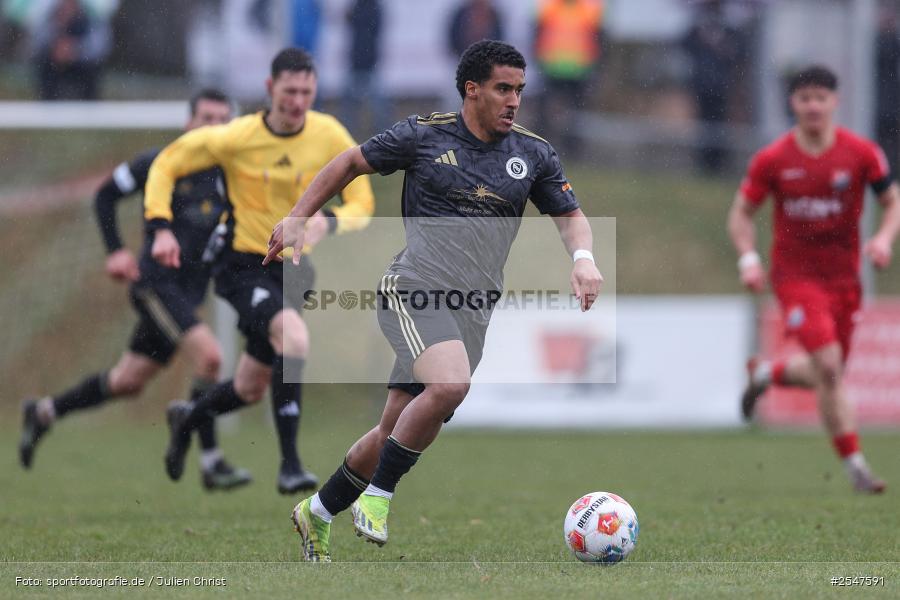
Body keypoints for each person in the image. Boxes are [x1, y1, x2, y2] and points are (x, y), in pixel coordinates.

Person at [264, 40, 603, 562]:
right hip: (413, 286)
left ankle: (317, 511)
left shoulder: (532, 153)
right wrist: (299, 216)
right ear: (472, 89)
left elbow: (569, 214)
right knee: (450, 384)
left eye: (520, 90)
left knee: (392, 429)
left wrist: (583, 258)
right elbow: (348, 162)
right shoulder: (423, 135)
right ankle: (377, 498)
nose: (514, 100)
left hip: (472, 308)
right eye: (502, 89)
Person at [148, 48, 375, 495]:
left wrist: (327, 222)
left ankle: (187, 417)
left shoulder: (328, 134)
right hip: (243, 265)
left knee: (251, 386)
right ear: (271, 89)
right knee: (293, 338)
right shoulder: (236, 137)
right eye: (290, 91)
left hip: (293, 271)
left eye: (307, 92)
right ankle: (291, 465)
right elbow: (166, 163)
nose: (298, 101)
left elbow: (362, 202)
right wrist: (159, 226)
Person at [18, 89, 252, 491]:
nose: (213, 127)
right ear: (188, 122)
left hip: (189, 294)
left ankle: (42, 412)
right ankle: (211, 462)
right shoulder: (159, 163)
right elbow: (105, 194)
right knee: (211, 359)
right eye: (206, 118)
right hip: (155, 286)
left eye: (222, 120)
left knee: (127, 381)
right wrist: (115, 252)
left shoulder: (232, 177)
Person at [729, 66, 900, 494]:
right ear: (794, 104)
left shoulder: (862, 154)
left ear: (834, 102)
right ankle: (856, 465)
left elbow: (892, 202)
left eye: (820, 98)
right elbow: (741, 214)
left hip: (846, 281)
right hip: (796, 279)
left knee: (832, 372)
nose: (812, 106)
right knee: (829, 365)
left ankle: (768, 372)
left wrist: (882, 238)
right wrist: (749, 259)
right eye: (804, 98)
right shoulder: (773, 159)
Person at [534, 0, 603, 156]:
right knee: (545, 113)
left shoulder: (588, 8)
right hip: (554, 67)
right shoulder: (551, 6)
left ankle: (571, 149)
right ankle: (541, 147)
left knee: (575, 115)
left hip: (578, 70)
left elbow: (598, 36)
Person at [33, 0, 110, 100]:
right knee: (45, 65)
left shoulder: (91, 19)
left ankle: (90, 105)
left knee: (93, 69)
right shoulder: (48, 18)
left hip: (82, 65)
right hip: (54, 64)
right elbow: (37, 43)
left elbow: (100, 47)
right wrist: (54, 48)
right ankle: (47, 102)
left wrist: (75, 50)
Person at [340, 0, 389, 136]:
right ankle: (347, 132)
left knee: (377, 106)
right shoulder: (367, 7)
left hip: (366, 61)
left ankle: (382, 133)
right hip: (360, 61)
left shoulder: (368, 8)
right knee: (352, 104)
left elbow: (364, 26)